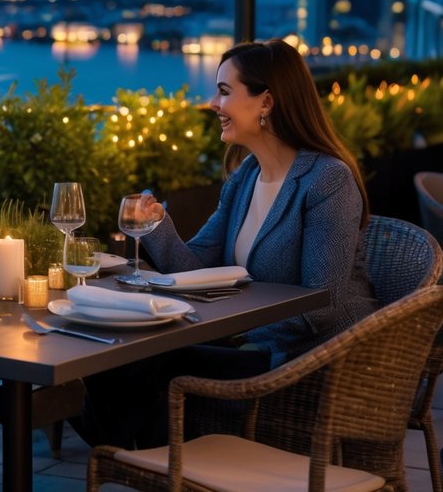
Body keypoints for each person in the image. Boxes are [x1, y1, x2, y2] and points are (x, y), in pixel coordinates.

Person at [80, 38, 379, 447]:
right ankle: (134, 460)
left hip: (308, 361)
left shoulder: (327, 180)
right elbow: (195, 267)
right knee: (115, 356)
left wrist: (230, 321)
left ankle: (136, 459)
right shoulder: (247, 176)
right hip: (253, 344)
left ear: (266, 102)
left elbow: (320, 308)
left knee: (154, 365)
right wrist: (157, 226)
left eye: (224, 92)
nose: (214, 104)